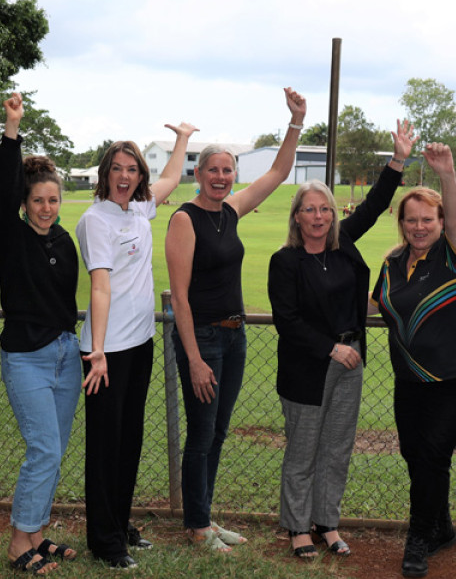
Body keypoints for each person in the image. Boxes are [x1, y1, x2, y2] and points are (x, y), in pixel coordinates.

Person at [165, 87, 306, 551]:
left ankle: (203, 518)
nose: (221, 177)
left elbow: (279, 172)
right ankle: (197, 526)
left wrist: (296, 122)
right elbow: (179, 298)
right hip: (202, 340)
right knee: (201, 434)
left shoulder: (232, 210)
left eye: (228, 170)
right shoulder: (185, 220)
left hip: (234, 336)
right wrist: (194, 359)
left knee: (218, 432)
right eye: (213, 170)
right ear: (199, 174)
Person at [268, 120, 415, 559]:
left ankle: (326, 523)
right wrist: (331, 348)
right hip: (309, 368)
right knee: (303, 453)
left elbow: (374, 204)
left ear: (333, 214)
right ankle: (298, 528)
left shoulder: (343, 243)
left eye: (325, 209)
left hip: (351, 362)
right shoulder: (286, 261)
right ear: (297, 216)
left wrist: (398, 160)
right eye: (310, 210)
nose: (319, 217)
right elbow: (287, 321)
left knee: (336, 450)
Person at [75, 123, 197, 569]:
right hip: (106, 352)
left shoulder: (139, 209)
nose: (124, 176)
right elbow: (100, 286)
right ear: (105, 174)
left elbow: (171, 178)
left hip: (139, 343)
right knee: (105, 446)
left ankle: (119, 523)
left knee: (129, 441)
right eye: (117, 169)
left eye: (132, 169)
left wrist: (182, 140)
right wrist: (98, 352)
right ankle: (104, 542)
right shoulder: (95, 220)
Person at [373, 143, 456, 577]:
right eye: (412, 220)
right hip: (410, 377)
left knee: (431, 453)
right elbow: (375, 305)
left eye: (428, 219)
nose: (419, 226)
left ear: (440, 222)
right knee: (415, 452)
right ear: (401, 223)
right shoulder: (392, 263)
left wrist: (446, 173)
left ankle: (419, 536)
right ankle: (441, 527)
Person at [0, 92, 82, 575]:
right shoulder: (10, 237)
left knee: (54, 451)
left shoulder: (64, 241)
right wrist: (12, 130)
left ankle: (38, 534)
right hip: (27, 357)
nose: (46, 208)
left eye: (53, 200)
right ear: (24, 204)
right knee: (43, 448)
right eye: (37, 200)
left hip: (67, 355)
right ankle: (17, 542)